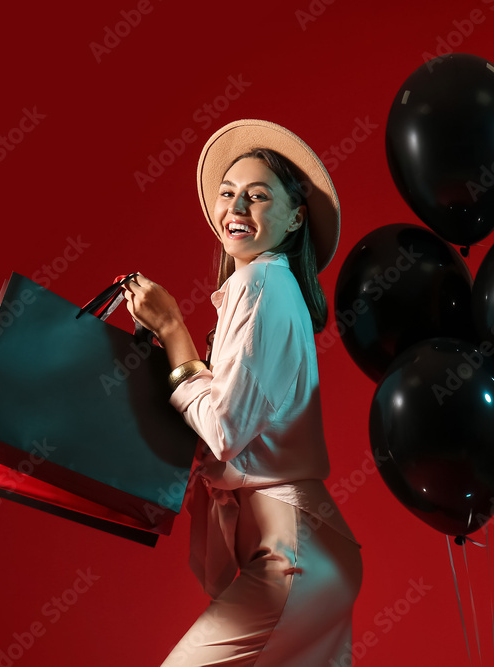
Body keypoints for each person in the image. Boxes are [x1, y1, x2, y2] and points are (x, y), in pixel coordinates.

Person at [121, 119, 362, 666]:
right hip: (302, 548)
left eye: (258, 197)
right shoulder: (262, 289)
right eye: (228, 195)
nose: (237, 208)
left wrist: (174, 331)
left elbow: (225, 431)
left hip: (293, 555)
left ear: (294, 218)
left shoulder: (263, 283)